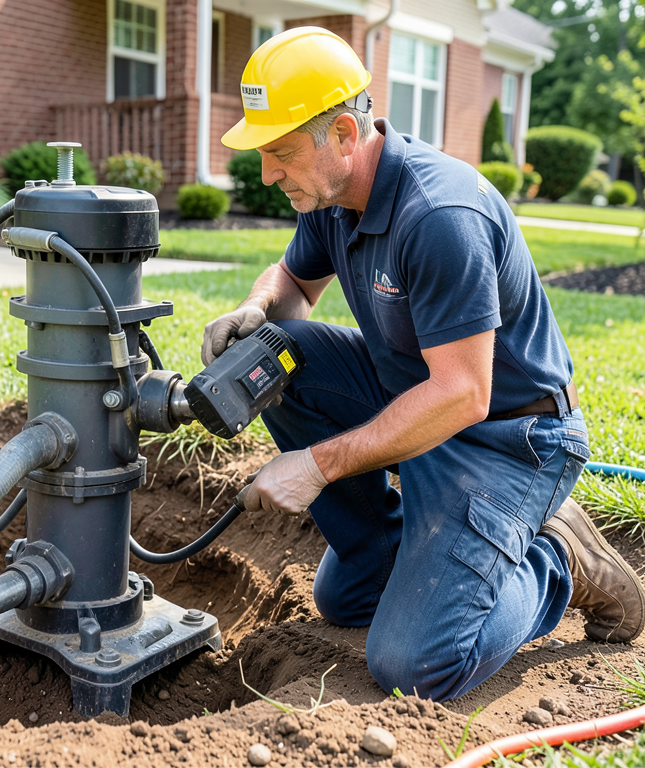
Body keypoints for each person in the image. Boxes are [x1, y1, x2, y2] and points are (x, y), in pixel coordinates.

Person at [205, 27, 645, 701]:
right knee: (344, 593)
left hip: (509, 440)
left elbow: (466, 394)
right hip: (419, 400)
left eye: (280, 153)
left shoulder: (440, 214)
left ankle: (559, 559)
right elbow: (293, 285)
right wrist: (256, 308)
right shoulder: (332, 195)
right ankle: (394, 549)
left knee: (415, 665)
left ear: (345, 134)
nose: (267, 173)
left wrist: (316, 466)